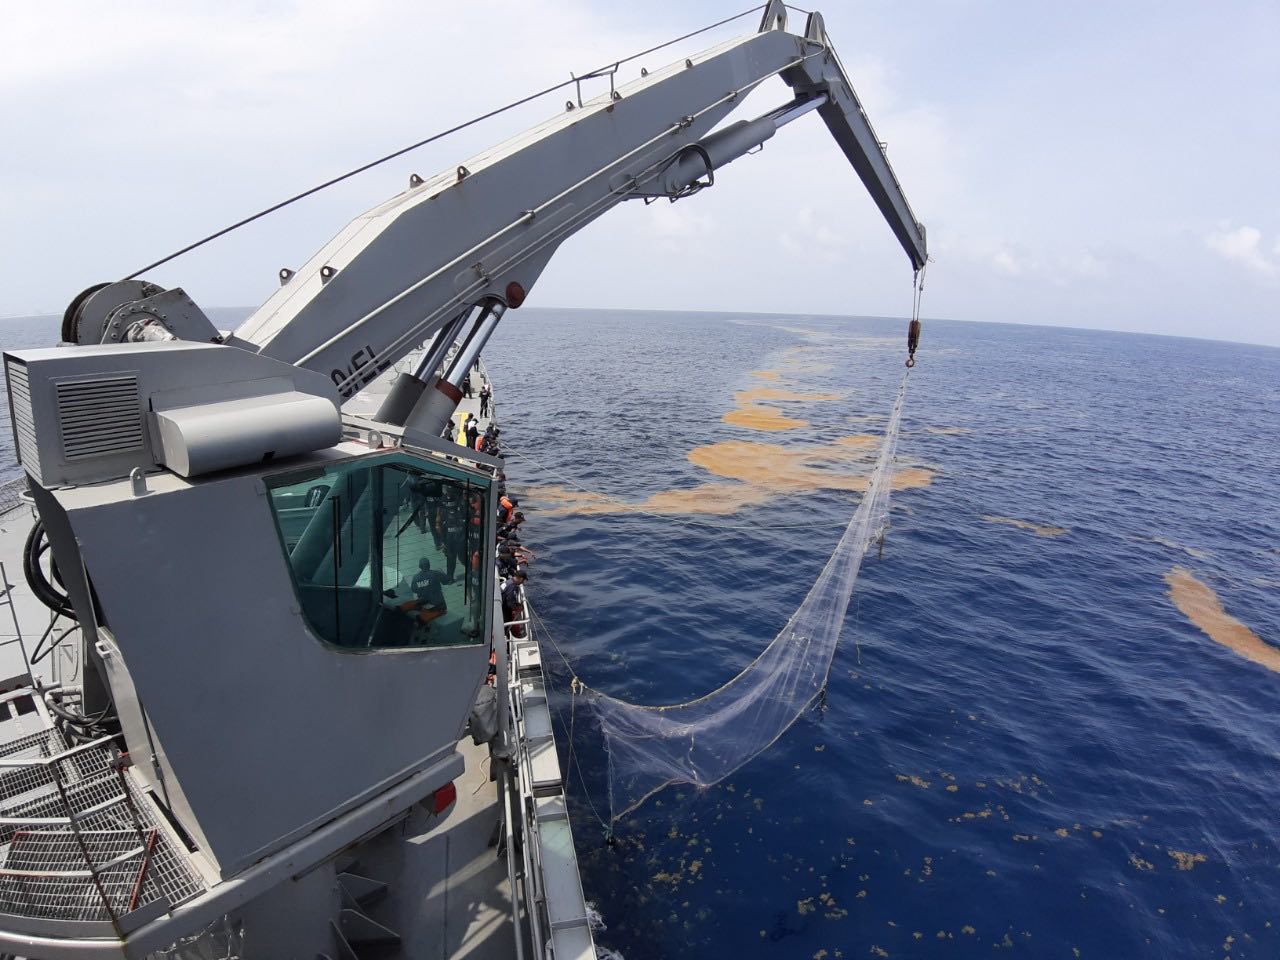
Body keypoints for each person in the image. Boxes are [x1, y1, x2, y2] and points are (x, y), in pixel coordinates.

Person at [397, 556, 447, 629]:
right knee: (437, 610)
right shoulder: (436, 573)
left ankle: (401, 609)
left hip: (422, 602)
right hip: (437, 604)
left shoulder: (416, 577)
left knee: (413, 603)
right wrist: (442, 573)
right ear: (429, 565)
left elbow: (414, 590)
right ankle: (420, 620)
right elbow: (446, 581)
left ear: (420, 566)